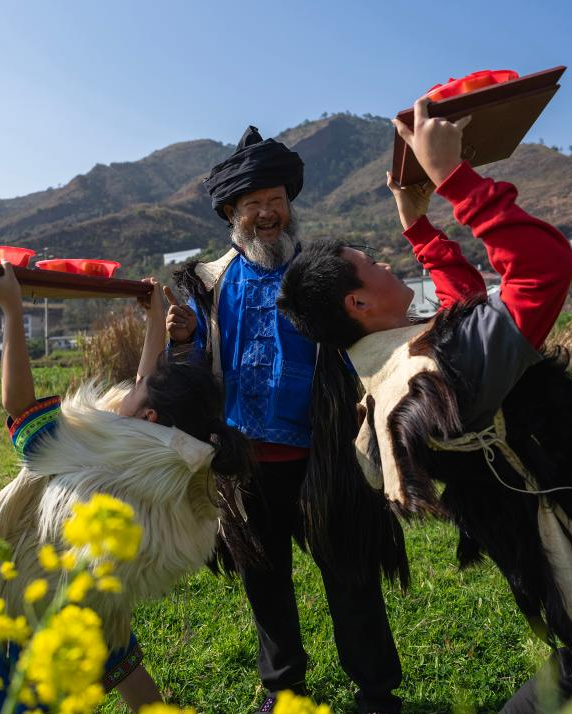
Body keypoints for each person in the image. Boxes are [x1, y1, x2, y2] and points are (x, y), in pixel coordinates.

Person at [277, 98, 572, 712]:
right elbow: (543, 270)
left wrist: (419, 227)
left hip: (569, 538)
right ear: (357, 305)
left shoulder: (396, 366)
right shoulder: (439, 370)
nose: (384, 262)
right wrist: (455, 179)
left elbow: (466, 312)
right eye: (370, 263)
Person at [0, 259, 254, 712]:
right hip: (97, 591)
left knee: (9, 694)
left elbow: (20, 405)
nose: (130, 385)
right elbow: (148, 388)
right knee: (119, 657)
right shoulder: (178, 456)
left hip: (34, 593)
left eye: (138, 388)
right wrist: (153, 319)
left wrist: (11, 309)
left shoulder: (98, 459)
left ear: (148, 417)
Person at [168, 126, 406, 714]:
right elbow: (194, 373)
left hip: (326, 456)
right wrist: (185, 341)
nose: (268, 213)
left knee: (351, 575)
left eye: (276, 200)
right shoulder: (209, 284)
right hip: (246, 462)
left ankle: (376, 693)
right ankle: (284, 689)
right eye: (254, 204)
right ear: (232, 214)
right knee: (264, 580)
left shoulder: (325, 273)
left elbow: (366, 342)